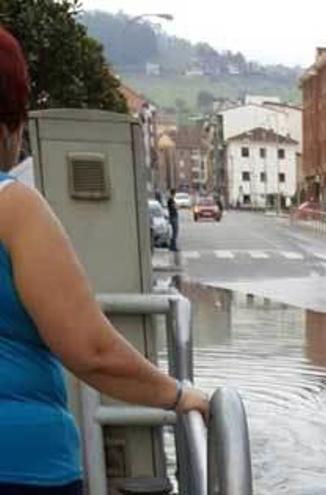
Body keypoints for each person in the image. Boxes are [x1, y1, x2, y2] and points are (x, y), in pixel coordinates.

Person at [0, 28, 208, 494]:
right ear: (8, 126)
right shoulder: (13, 208)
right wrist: (178, 395)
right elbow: (92, 351)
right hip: (20, 467)